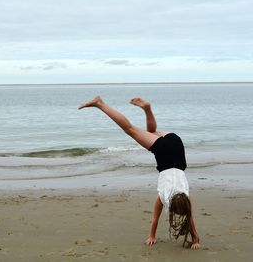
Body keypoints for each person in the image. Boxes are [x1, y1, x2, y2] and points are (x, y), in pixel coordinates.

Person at [78, 96, 200, 249]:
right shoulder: (164, 196)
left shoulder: (185, 196)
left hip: (176, 144)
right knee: (130, 130)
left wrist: (196, 239)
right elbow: (156, 217)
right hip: (165, 154)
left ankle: (147, 109)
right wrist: (151, 236)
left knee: (151, 132)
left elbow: (189, 217)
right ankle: (100, 104)